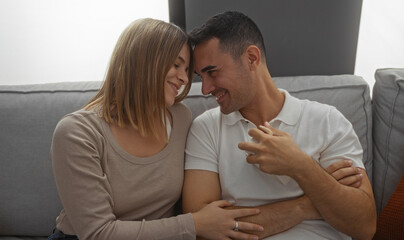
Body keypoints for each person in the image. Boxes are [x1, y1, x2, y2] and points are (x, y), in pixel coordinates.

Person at [48, 18, 264, 240]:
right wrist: (194, 224)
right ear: (143, 61)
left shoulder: (180, 118)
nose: (183, 78)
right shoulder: (77, 133)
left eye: (187, 70)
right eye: (176, 65)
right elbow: (98, 233)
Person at [182, 11, 376, 240]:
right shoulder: (206, 129)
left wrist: (300, 166)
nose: (205, 89)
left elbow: (365, 227)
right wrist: (308, 204)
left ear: (251, 58)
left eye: (212, 72)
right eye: (200, 77)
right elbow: (203, 230)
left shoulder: (328, 121)